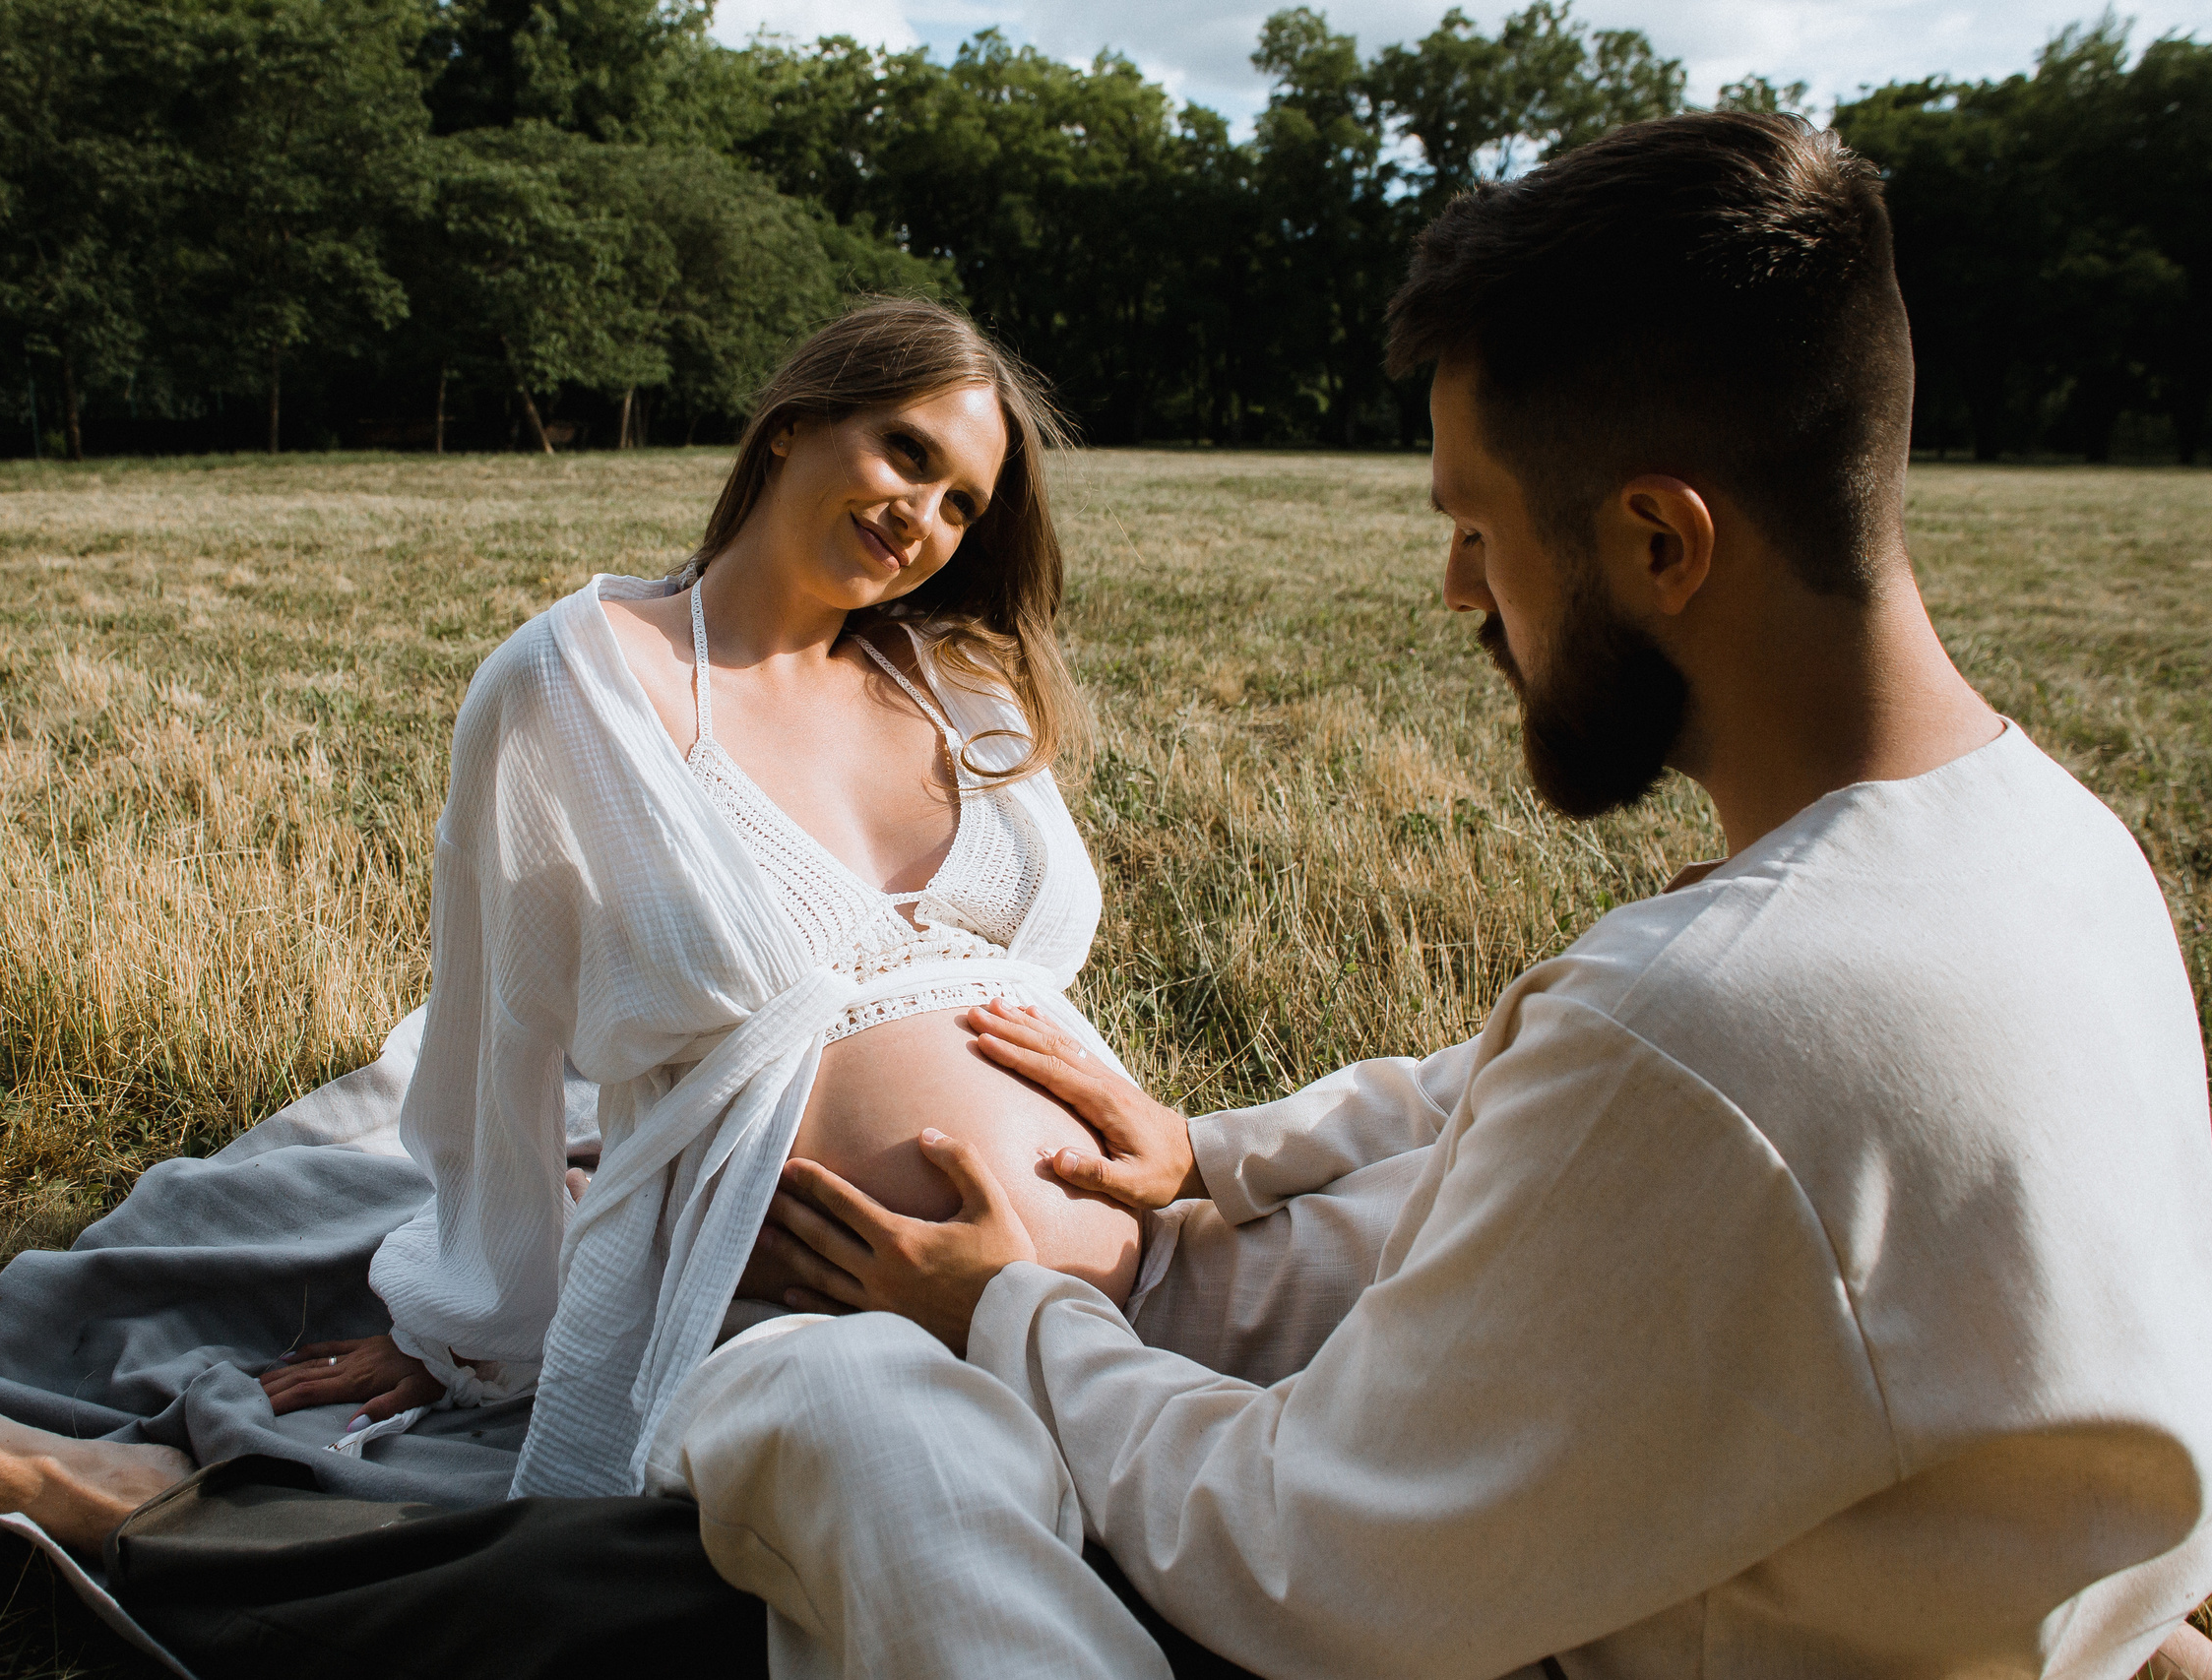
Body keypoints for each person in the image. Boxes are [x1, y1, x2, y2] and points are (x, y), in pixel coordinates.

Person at [643, 112, 2212, 1679]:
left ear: (1661, 540)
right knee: (1401, 1199)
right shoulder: (2049, 840)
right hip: (1947, 1576)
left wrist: (1009, 1313)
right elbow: (1506, 1089)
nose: (1462, 591)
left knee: (845, 1406)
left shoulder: (1712, 1027)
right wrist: (1214, 1150)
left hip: (1547, 1634)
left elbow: (1295, 1563)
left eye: (1478, 529)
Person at [0, 297, 1146, 1553]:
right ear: (791, 428)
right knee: (662, 1585)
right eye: (907, 453)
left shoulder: (961, 686)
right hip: (798, 1296)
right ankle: (122, 1500)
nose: (925, 516)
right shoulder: (580, 687)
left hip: (1116, 1289)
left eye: (962, 503)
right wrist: (465, 1327)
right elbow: (501, 1028)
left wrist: (1166, 1151)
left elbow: (1019, 984)